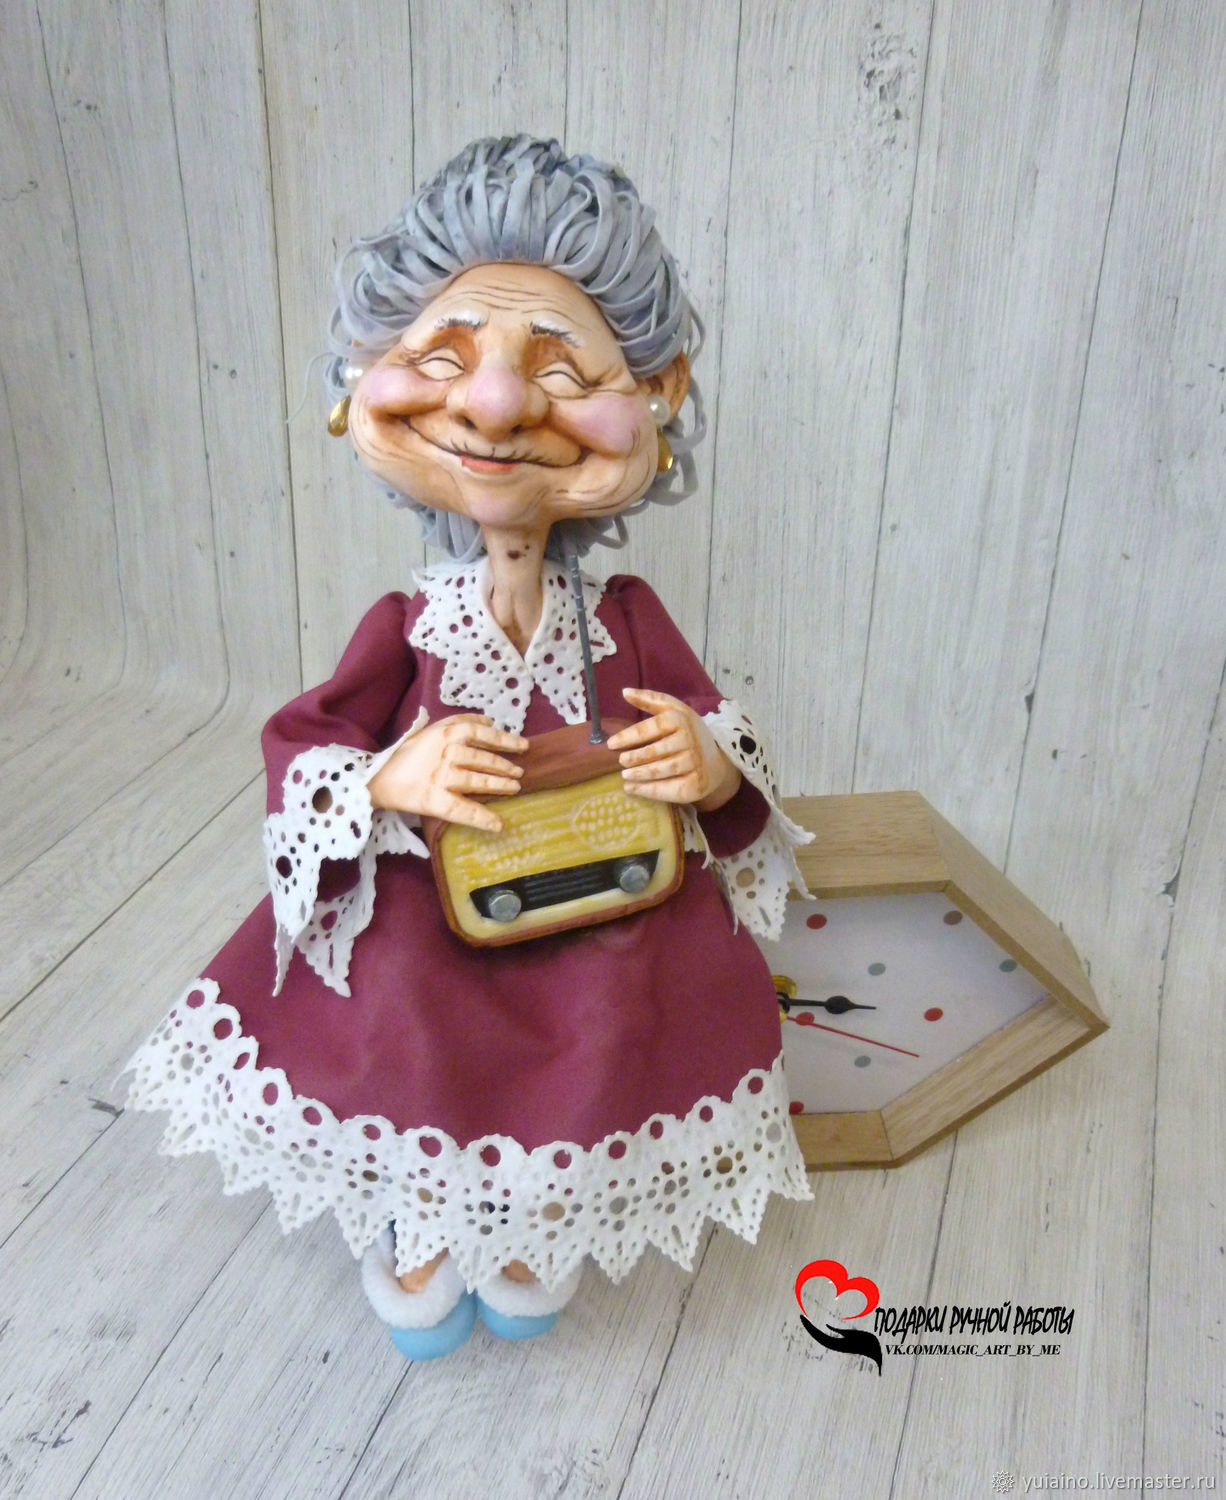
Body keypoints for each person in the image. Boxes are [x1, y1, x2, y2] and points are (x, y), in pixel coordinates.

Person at [126, 137, 812, 1360]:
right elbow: (311, 745)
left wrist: (706, 763)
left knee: (605, 1034)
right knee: (411, 1034)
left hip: (602, 904)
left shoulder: (623, 618)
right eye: (442, 359)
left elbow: (717, 730)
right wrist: (387, 777)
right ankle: (425, 1212)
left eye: (562, 369)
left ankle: (536, 1215)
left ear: (656, 392)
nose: (495, 405)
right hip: (431, 913)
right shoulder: (408, 625)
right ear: (366, 371)